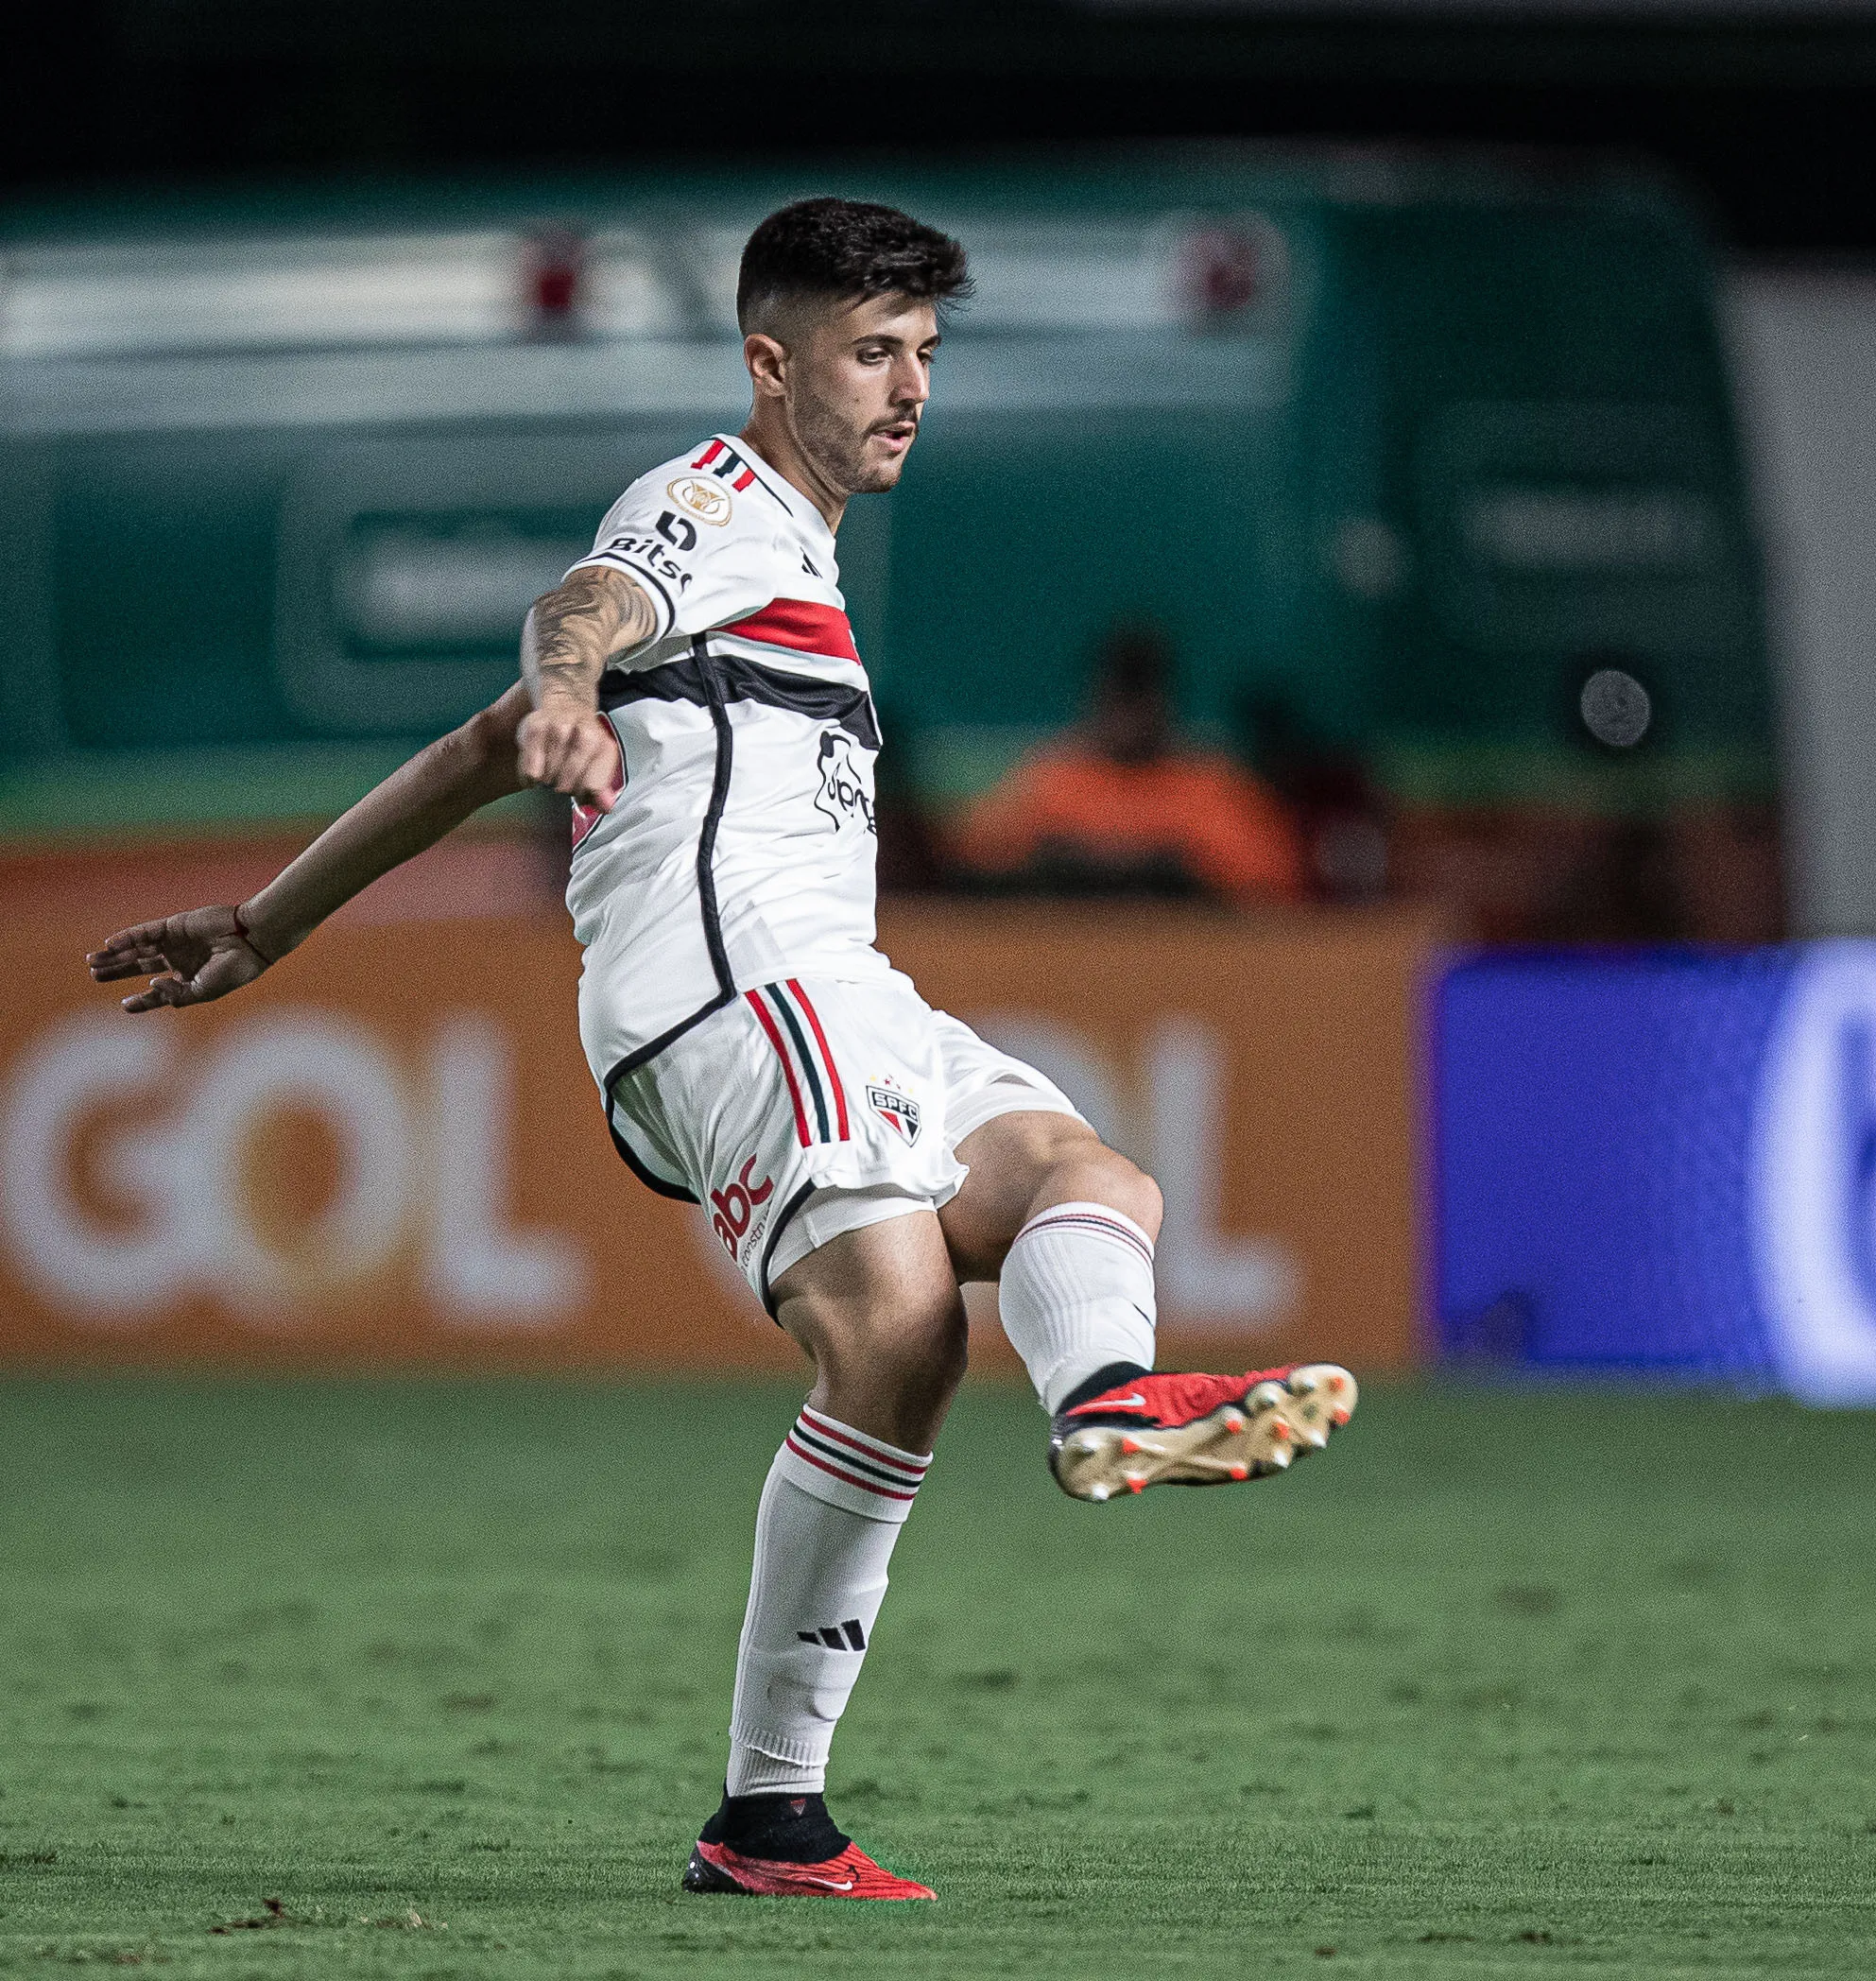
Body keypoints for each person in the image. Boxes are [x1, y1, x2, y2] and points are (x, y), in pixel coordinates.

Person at [83, 198, 1358, 1904]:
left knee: (1080, 1177)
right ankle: (813, 1751)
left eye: (922, 354)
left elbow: (481, 744)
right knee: (895, 1326)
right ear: (772, 363)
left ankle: (1064, 1450)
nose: (907, 389)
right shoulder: (713, 507)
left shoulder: (804, 560)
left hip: (839, 985)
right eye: (867, 353)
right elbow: (580, 608)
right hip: (732, 984)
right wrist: (563, 680)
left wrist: (272, 920)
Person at [948, 625, 1306, 905]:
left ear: (1166, 699)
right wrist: (1064, 860)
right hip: (1061, 970)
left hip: (1188, 972)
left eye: (1142, 693)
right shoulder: (1054, 777)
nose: (1130, 712)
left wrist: (1171, 868)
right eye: (1119, 693)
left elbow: (1272, 881)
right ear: (1096, 696)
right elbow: (973, 861)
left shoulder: (1210, 784)